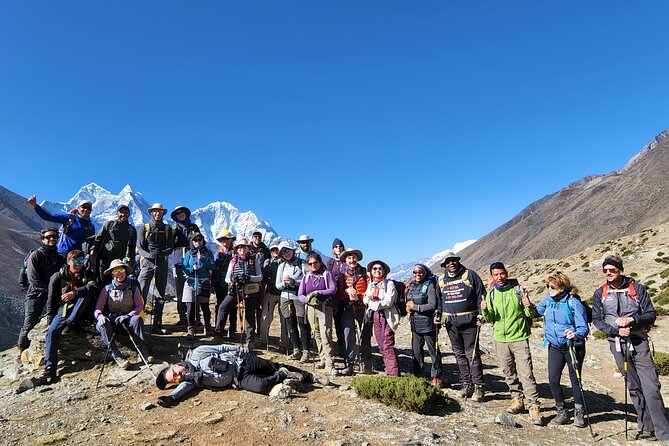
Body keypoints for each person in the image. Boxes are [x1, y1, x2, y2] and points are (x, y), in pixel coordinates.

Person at [592, 253, 669, 441]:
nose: (608, 273)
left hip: (639, 342)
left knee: (651, 387)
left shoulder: (638, 289)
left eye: (612, 270)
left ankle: (663, 432)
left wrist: (633, 320)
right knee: (634, 387)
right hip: (617, 344)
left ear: (620, 270)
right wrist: (614, 330)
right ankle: (645, 428)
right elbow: (597, 319)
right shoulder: (599, 293)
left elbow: (650, 314)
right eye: (605, 270)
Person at [154, 343, 329, 406]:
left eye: (175, 374)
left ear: (175, 365)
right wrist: (171, 397)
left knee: (273, 365)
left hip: (241, 361)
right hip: (239, 379)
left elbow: (221, 348)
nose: (179, 378)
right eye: (175, 380)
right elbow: (182, 389)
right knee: (261, 386)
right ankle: (283, 375)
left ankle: (311, 377)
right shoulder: (191, 380)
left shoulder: (198, 353)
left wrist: (242, 351)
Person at [481, 262, 542, 426]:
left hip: (519, 337)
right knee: (508, 372)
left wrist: (529, 305)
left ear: (506, 274)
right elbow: (490, 319)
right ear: (492, 277)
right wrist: (485, 310)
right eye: (495, 275)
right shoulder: (491, 294)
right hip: (500, 339)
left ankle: (533, 405)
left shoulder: (517, 291)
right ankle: (517, 399)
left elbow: (530, 314)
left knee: (527, 373)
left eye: (502, 274)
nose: (499, 277)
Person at [535, 272, 589, 427]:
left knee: (575, 380)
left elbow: (583, 327)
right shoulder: (548, 300)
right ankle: (562, 412)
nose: (549, 289)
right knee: (553, 380)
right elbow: (535, 312)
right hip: (555, 346)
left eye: (552, 287)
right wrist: (526, 304)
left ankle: (579, 413)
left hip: (573, 347)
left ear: (562, 288)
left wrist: (575, 334)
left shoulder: (573, 303)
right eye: (548, 287)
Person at [42, 250, 98, 382]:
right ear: (68, 261)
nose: (79, 264)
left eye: (81, 261)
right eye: (75, 261)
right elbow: (51, 300)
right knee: (51, 332)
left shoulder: (87, 274)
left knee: (86, 296)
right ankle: (50, 368)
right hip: (65, 309)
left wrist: (75, 293)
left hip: (84, 310)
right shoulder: (57, 277)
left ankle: (70, 323)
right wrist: (50, 321)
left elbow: (94, 287)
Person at [439, 251, 486, 401]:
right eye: (448, 261)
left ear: (457, 261)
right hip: (451, 324)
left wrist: (481, 313)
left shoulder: (470, 275)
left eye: (453, 260)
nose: (451, 263)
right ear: (444, 265)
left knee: (472, 354)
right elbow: (439, 301)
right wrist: (438, 315)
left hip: (470, 321)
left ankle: (479, 386)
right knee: (459, 354)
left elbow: (481, 295)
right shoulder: (441, 280)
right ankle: (467, 384)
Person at [16, 227, 66, 364]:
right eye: (48, 237)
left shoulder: (59, 257)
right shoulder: (36, 256)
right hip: (36, 294)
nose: (52, 239)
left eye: (54, 237)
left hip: (52, 295)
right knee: (29, 323)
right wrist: (52, 291)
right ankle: (20, 351)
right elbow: (33, 279)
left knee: (54, 321)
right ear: (42, 239)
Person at [94, 259, 153, 369]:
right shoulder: (106, 289)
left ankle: (143, 351)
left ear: (125, 271)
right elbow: (98, 309)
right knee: (102, 324)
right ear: (112, 274)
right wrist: (100, 316)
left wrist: (128, 315)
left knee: (137, 319)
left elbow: (139, 306)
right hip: (112, 320)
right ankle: (116, 355)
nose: (119, 274)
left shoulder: (133, 286)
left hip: (127, 319)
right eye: (115, 271)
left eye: (121, 270)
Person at [298, 253, 338, 376]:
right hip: (310, 308)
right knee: (317, 334)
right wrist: (306, 299)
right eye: (310, 263)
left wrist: (317, 292)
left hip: (324, 307)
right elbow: (300, 294)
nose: (313, 265)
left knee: (326, 334)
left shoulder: (326, 274)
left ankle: (330, 364)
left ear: (320, 262)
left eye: (315, 262)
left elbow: (333, 289)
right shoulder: (306, 277)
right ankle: (323, 359)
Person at [136, 203, 174, 333]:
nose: (157, 214)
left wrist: (163, 253)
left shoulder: (168, 229)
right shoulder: (144, 228)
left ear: (163, 213)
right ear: (151, 213)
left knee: (160, 295)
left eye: (160, 212)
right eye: (155, 211)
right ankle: (138, 322)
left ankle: (157, 325)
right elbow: (140, 248)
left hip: (162, 263)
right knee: (141, 292)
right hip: (147, 263)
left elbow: (171, 247)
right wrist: (149, 255)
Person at [221, 238, 263, 348]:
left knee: (249, 315)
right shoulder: (233, 260)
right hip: (235, 290)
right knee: (223, 308)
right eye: (240, 247)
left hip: (250, 291)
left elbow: (260, 277)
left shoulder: (255, 260)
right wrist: (234, 279)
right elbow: (227, 278)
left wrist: (249, 278)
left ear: (248, 248)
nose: (242, 249)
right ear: (237, 249)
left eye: (244, 247)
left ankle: (250, 340)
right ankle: (218, 334)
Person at [406, 264, 442, 387]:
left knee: (433, 351)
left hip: (428, 323)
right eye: (415, 272)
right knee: (416, 351)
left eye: (420, 272)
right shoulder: (411, 286)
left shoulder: (430, 285)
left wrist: (414, 307)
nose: (417, 274)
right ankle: (418, 375)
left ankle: (436, 376)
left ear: (425, 272)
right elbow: (407, 301)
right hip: (415, 324)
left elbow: (433, 304)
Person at [364, 260, 400, 377]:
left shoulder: (389, 284)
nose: (377, 271)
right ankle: (388, 370)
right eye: (374, 269)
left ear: (384, 271)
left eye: (380, 268)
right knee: (381, 344)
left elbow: (389, 302)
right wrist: (374, 301)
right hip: (376, 317)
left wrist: (373, 302)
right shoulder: (371, 285)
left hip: (387, 317)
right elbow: (365, 299)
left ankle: (393, 374)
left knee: (387, 344)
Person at [28, 194, 95, 256]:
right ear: (78, 208)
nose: (85, 209)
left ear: (91, 210)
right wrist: (35, 206)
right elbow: (48, 216)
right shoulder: (69, 218)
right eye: (83, 207)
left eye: (88, 208)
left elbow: (91, 243)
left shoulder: (90, 227)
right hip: (62, 254)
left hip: (77, 259)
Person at [275, 241, 310, 361]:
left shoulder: (302, 264)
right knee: (290, 323)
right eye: (283, 252)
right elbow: (277, 285)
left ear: (292, 250)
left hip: (299, 297)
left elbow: (308, 281)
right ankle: (296, 350)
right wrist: (284, 283)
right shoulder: (281, 266)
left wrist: (294, 283)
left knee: (303, 323)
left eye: (287, 250)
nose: (286, 254)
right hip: (285, 297)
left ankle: (306, 351)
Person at [339, 248, 371, 375]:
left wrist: (359, 295)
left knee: (365, 336)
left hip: (363, 309)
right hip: (348, 308)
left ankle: (366, 363)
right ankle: (349, 364)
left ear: (357, 259)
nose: (352, 260)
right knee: (348, 335)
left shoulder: (365, 273)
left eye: (354, 258)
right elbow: (339, 293)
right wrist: (347, 291)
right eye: (349, 258)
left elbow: (370, 291)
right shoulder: (342, 275)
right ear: (345, 260)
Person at [90, 204, 137, 284]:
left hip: (119, 260)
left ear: (129, 214)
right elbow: (98, 238)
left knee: (116, 279)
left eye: (126, 212)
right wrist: (93, 250)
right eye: (121, 212)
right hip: (104, 258)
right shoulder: (109, 224)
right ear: (117, 213)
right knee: (102, 279)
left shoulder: (131, 229)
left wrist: (131, 261)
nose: (123, 214)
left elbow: (132, 247)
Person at [170, 205, 201, 327]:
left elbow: (199, 241)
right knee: (180, 289)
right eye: (178, 213)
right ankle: (182, 317)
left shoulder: (194, 227)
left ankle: (196, 317)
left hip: (192, 258)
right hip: (178, 259)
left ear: (186, 213)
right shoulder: (174, 229)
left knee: (194, 287)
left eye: (182, 212)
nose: (180, 214)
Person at [182, 232, 215, 337]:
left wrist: (204, 260)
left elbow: (213, 266)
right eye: (195, 240)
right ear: (192, 242)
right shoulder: (188, 254)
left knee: (205, 306)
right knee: (190, 307)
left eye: (199, 240)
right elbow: (184, 268)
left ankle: (208, 327)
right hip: (191, 282)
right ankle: (190, 329)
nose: (197, 242)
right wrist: (192, 269)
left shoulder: (208, 253)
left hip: (203, 282)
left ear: (203, 241)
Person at [261, 243, 287, 348]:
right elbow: (263, 277)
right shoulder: (268, 262)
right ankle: (264, 340)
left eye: (277, 249)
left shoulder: (286, 262)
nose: (275, 252)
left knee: (284, 319)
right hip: (270, 293)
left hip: (283, 294)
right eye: (273, 250)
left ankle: (284, 342)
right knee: (266, 317)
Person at [326, 238, 347, 359]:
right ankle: (340, 347)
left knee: (347, 324)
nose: (338, 248)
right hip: (335, 298)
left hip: (347, 298)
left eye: (340, 246)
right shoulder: (331, 262)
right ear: (333, 249)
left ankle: (348, 347)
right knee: (337, 323)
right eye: (336, 246)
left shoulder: (347, 260)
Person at [213, 229, 235, 336]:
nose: (224, 241)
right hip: (220, 282)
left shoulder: (235, 253)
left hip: (231, 282)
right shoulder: (218, 253)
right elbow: (214, 268)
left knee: (233, 306)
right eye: (222, 240)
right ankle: (219, 328)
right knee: (220, 305)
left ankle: (232, 329)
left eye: (226, 239)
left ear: (230, 240)